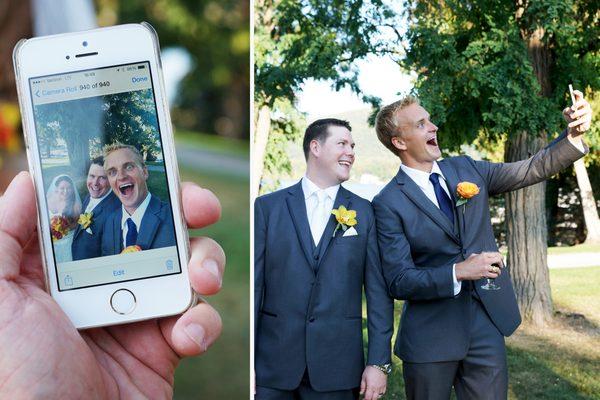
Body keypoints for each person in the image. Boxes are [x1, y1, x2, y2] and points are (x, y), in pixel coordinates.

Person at [372, 91, 591, 399]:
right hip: (429, 337)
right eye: (422, 124)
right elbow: (399, 280)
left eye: (430, 120)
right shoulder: (387, 202)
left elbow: (531, 168)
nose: (433, 127)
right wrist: (458, 272)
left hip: (486, 324)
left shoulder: (466, 169)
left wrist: (572, 135)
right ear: (400, 142)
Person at [0, 171, 225, 398]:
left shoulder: (104, 210)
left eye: (103, 177)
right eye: (99, 175)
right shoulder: (60, 212)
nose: (63, 192)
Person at [254, 118, 394, 400]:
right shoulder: (268, 207)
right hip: (272, 365)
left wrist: (378, 363)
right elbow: (255, 287)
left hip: (338, 367)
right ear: (315, 147)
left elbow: (378, 293)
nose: (351, 152)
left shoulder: (365, 213)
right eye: (342, 143)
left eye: (353, 146)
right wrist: (247, 362)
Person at [100, 143, 175, 255]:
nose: (121, 176)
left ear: (144, 172)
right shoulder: (110, 222)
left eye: (129, 167)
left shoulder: (172, 216)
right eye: (112, 172)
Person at [72, 156, 120, 260]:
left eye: (102, 177)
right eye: (92, 176)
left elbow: (109, 255)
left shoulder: (115, 213)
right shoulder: (89, 196)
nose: (95, 183)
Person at [47, 174, 82, 262]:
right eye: (62, 188)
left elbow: (76, 226)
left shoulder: (76, 205)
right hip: (51, 242)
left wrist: (64, 226)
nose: (65, 191)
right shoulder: (48, 201)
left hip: (68, 241)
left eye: (69, 188)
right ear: (57, 189)